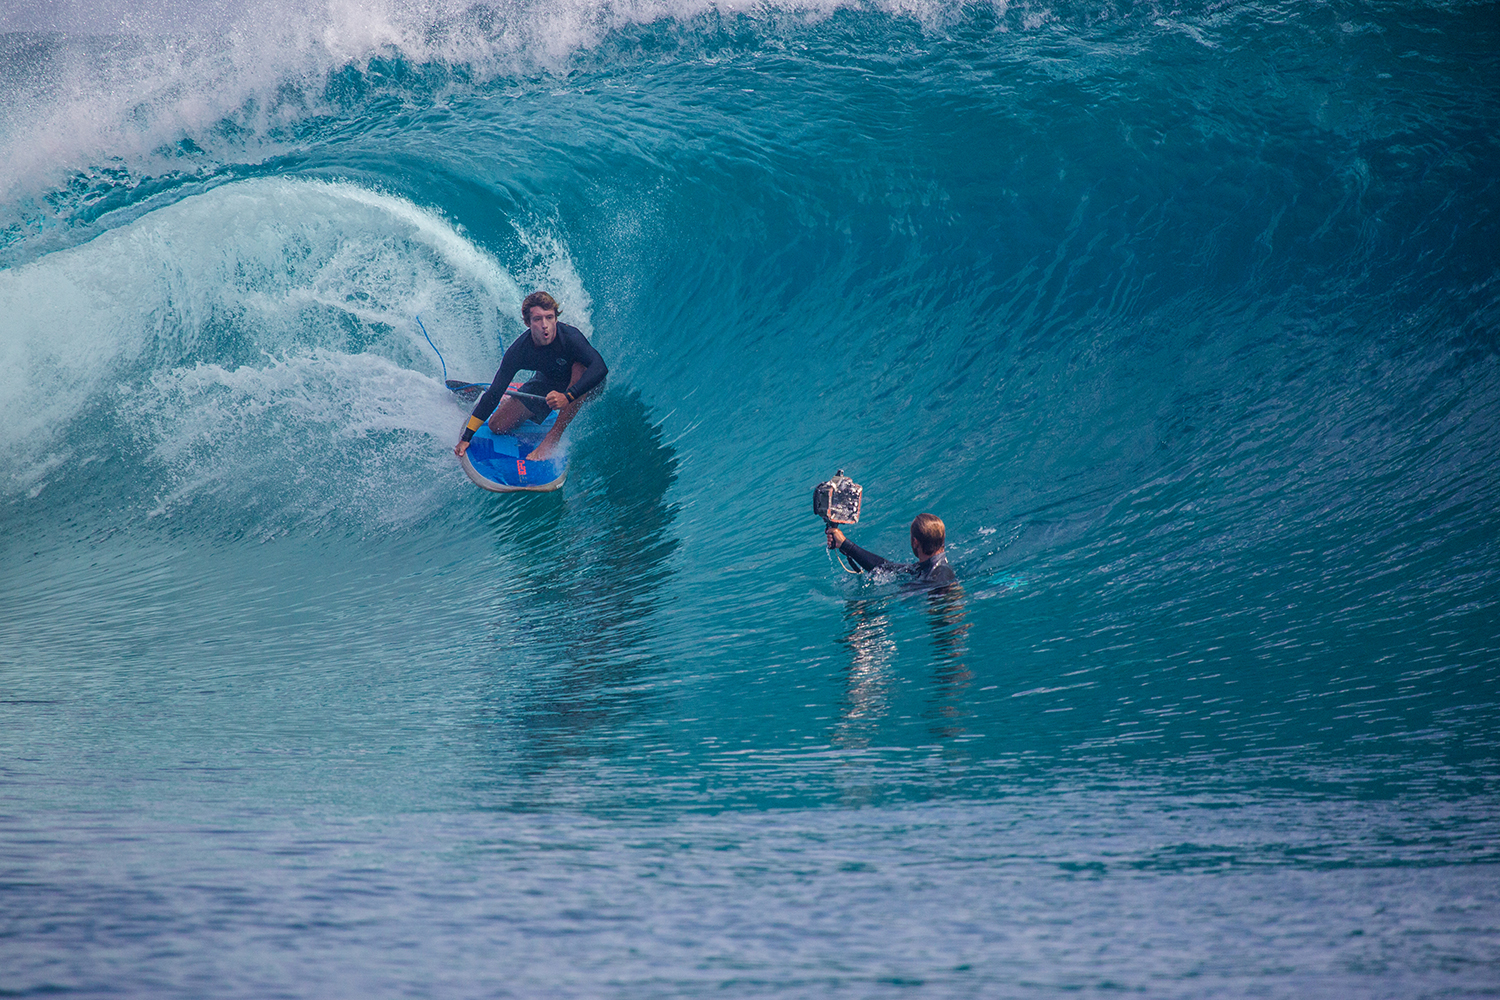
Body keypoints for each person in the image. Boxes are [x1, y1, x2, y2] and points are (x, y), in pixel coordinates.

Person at [454, 291, 607, 461]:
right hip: (549, 382)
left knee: (581, 367)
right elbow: (494, 393)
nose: (545, 325)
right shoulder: (519, 351)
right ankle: (516, 403)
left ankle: (552, 438)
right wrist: (466, 438)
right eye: (537, 319)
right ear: (527, 323)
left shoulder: (570, 338)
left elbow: (600, 367)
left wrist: (567, 396)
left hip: (585, 385)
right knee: (497, 426)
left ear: (556, 318)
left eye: (549, 317)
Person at [825, 513, 957, 587]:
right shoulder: (929, 568)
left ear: (915, 542)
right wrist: (844, 544)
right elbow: (886, 567)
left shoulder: (938, 576)